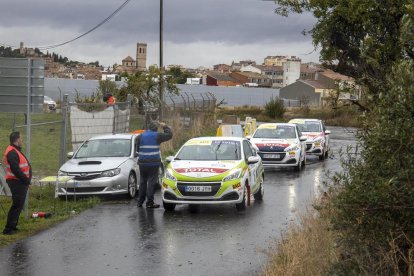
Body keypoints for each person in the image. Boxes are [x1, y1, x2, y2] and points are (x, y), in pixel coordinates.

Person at [136, 121, 172, 208]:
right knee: (151, 182)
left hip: (142, 163)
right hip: (153, 163)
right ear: (155, 129)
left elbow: (137, 149)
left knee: (143, 182)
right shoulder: (157, 136)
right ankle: (149, 203)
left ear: (148, 128)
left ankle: (140, 202)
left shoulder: (140, 137)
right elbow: (169, 135)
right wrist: (165, 126)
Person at [3, 132, 32, 235]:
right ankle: (8, 229)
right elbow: (15, 169)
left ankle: (13, 225)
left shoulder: (15, 150)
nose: (22, 140)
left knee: (19, 205)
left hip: (19, 182)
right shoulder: (12, 152)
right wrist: (26, 180)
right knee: (16, 205)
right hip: (16, 182)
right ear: (17, 140)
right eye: (21, 138)